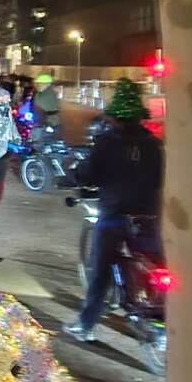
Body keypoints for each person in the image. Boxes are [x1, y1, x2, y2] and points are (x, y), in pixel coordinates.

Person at [63, 78, 162, 343]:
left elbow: (87, 174)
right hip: (148, 216)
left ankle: (86, 325)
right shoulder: (154, 145)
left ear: (115, 117)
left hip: (114, 216)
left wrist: (73, 176)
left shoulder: (107, 142)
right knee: (157, 264)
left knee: (100, 270)